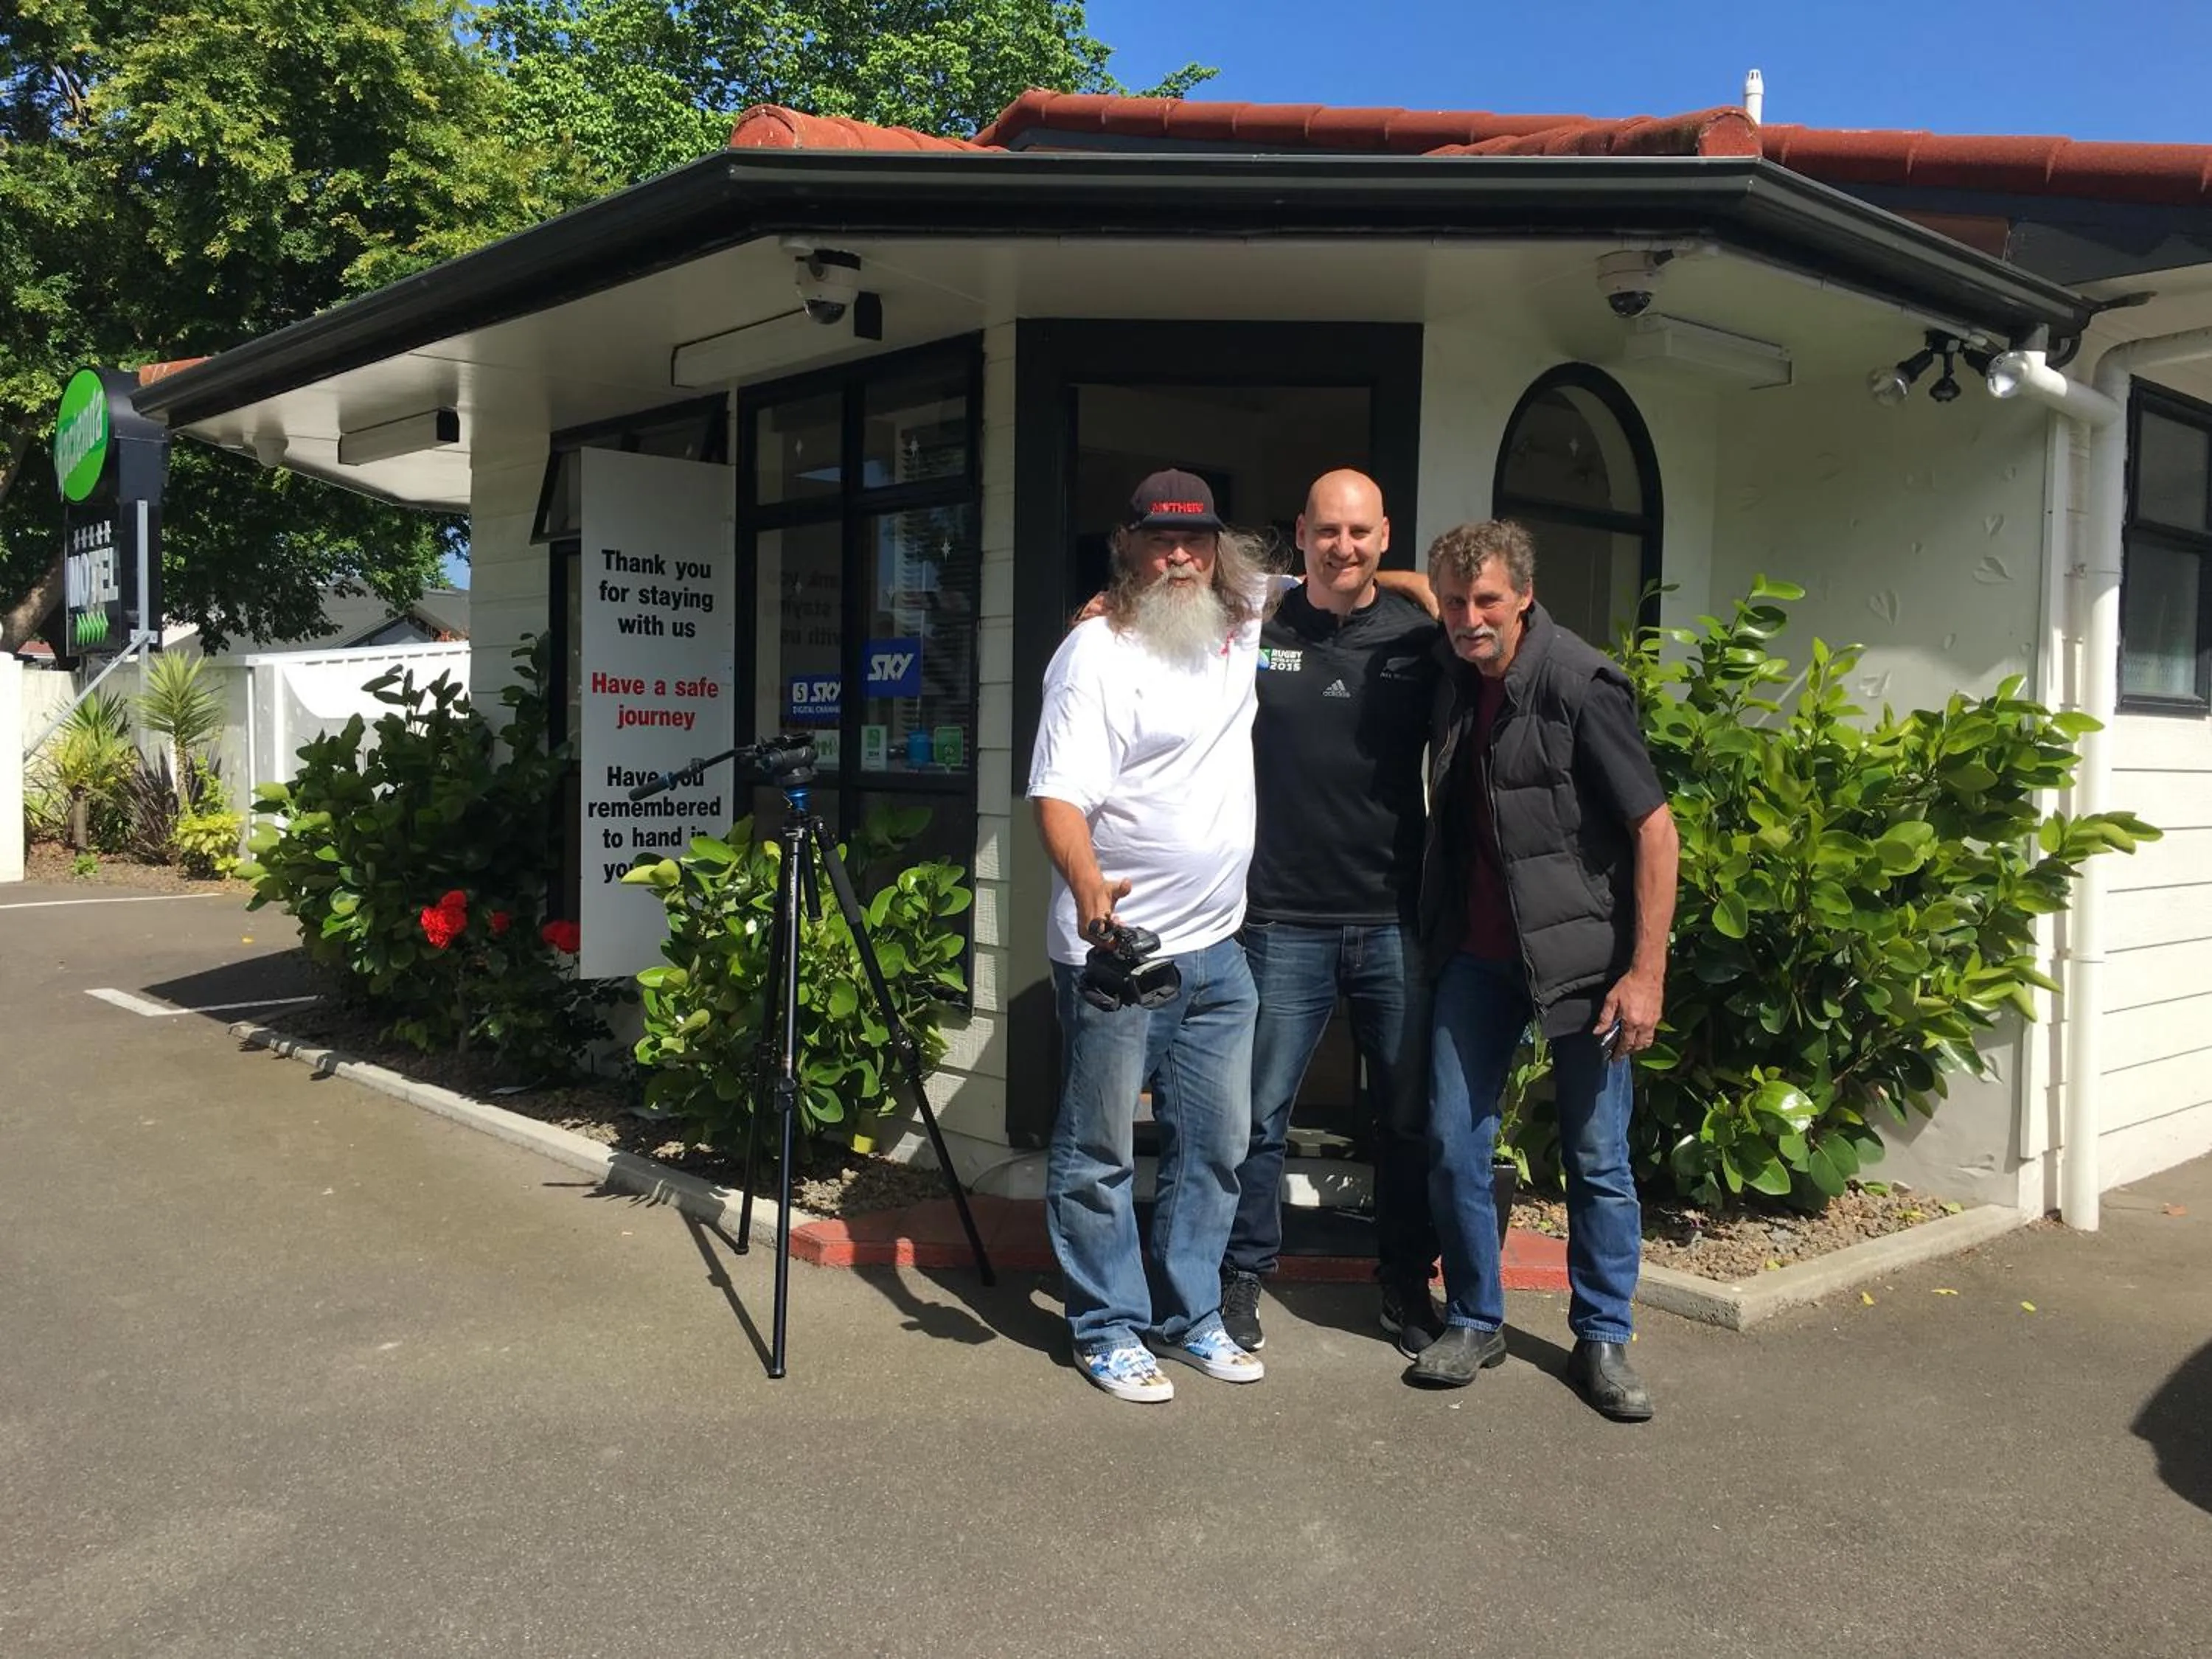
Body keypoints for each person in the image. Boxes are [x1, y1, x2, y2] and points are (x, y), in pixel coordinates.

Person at [1407, 520, 1679, 1421]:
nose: (1468, 616)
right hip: (1478, 959)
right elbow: (1400, 583)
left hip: (1583, 965)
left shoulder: (1579, 684)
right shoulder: (1458, 666)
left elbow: (1655, 831)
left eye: (1486, 599)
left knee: (1598, 1160)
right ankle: (1477, 1318)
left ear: (1525, 595)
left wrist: (1645, 975)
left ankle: (1603, 1338)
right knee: (1453, 1143)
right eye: (1454, 601)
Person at [1027, 468, 1273, 1403]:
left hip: (1220, 954)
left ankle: (1189, 1315)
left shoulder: (1238, 620)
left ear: (1219, 548)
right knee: (1101, 1153)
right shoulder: (1096, 653)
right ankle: (1106, 1325)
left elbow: (1355, 576)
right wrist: (1090, 889)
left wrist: (1424, 587)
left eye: (1198, 539)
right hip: (1121, 957)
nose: (1182, 555)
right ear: (1127, 545)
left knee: (1213, 1151)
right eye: (1163, 539)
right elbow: (1059, 795)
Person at [1217, 469, 1445, 1359]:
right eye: (1326, 532)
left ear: (1383, 537)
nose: (1343, 548)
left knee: (1407, 1118)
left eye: (1359, 534)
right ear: (1300, 536)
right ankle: (1244, 1275)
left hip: (1395, 920)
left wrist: (1416, 587)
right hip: (1280, 918)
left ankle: (1404, 1283)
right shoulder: (1255, 628)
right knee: (1259, 1115)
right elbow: (1172, 595)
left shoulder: (1424, 637)